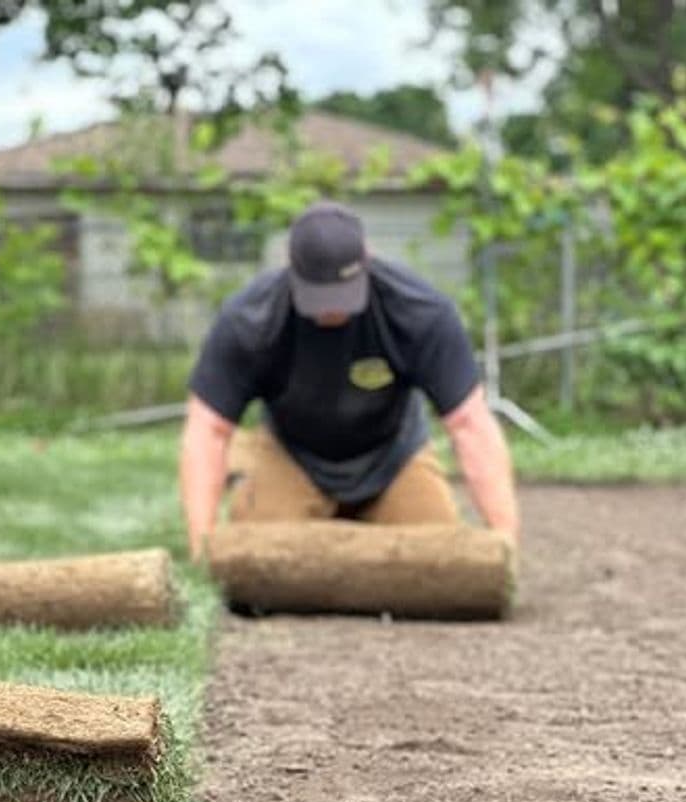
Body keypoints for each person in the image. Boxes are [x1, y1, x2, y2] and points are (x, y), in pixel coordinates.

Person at [179, 199, 520, 561]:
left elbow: (470, 425)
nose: (330, 310)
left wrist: (506, 542)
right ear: (292, 272)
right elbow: (207, 430)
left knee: (437, 560)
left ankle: (372, 512)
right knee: (253, 560)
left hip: (392, 456)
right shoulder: (249, 320)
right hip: (293, 456)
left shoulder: (421, 312)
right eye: (318, 297)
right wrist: (202, 547)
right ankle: (259, 466)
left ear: (367, 261)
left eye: (341, 296)